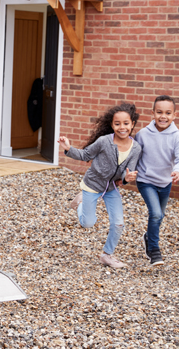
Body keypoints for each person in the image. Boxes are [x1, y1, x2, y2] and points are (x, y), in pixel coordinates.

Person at [58, 103, 142, 269]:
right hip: (92, 185)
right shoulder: (104, 141)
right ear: (112, 125)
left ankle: (107, 254)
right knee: (88, 223)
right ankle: (81, 203)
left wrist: (128, 178)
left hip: (111, 188)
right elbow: (86, 154)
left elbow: (127, 173)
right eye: (117, 124)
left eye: (126, 123)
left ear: (132, 124)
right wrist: (68, 148)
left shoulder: (136, 148)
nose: (122, 127)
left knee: (118, 223)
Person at [134, 95, 179, 266]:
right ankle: (154, 251)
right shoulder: (143, 134)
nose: (163, 116)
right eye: (159, 112)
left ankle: (149, 237)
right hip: (145, 180)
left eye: (167, 113)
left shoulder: (177, 137)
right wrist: (125, 176)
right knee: (156, 214)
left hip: (165, 182)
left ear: (174, 115)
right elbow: (133, 155)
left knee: (159, 215)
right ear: (153, 113)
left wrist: (178, 171)